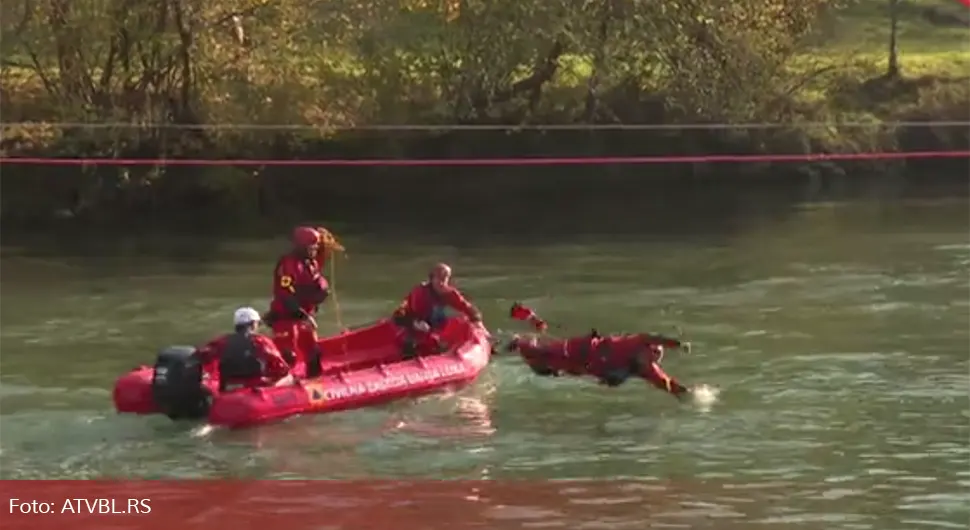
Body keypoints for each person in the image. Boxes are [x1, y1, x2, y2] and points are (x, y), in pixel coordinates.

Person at [504, 304, 693, 400]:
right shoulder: (637, 342)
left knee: (542, 369)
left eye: (653, 360)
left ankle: (523, 337)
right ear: (646, 350)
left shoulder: (647, 370)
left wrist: (690, 395)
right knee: (541, 352)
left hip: (582, 366)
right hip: (582, 349)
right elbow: (656, 338)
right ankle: (517, 340)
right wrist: (678, 344)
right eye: (651, 355)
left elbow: (668, 384)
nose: (650, 360)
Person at [264, 225, 344, 377]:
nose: (315, 249)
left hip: (304, 317)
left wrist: (320, 295)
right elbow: (286, 295)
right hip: (287, 318)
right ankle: (276, 388)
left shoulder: (311, 263)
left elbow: (314, 285)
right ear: (302, 246)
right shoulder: (288, 265)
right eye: (312, 246)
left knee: (314, 354)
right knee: (288, 357)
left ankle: (315, 387)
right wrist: (305, 316)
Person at [392, 263, 483, 356]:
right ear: (432, 279)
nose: (442, 283)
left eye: (445, 278)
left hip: (431, 327)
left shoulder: (449, 293)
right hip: (410, 326)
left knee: (437, 336)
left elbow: (468, 308)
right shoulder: (419, 293)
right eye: (439, 278)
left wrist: (477, 321)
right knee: (409, 344)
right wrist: (415, 323)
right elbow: (399, 316)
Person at [194, 307, 294, 391]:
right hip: (255, 386)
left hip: (229, 386)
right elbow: (281, 366)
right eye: (258, 324)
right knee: (289, 377)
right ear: (253, 324)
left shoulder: (222, 341)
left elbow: (202, 355)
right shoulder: (261, 341)